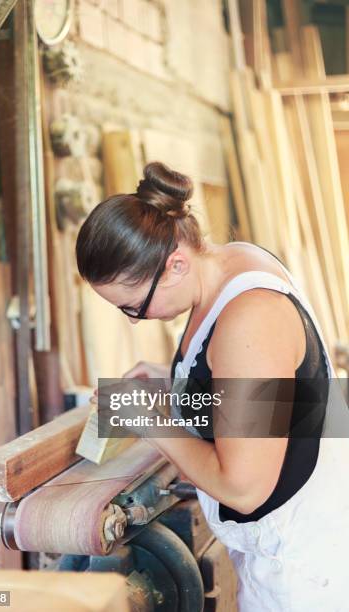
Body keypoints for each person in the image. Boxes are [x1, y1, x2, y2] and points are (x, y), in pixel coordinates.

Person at [75, 161, 349, 611]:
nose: (135, 320)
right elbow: (266, 394)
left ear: (175, 264)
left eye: (134, 307)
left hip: (306, 570)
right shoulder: (229, 261)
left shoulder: (249, 318)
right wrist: (176, 382)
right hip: (295, 546)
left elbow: (243, 487)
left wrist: (151, 422)